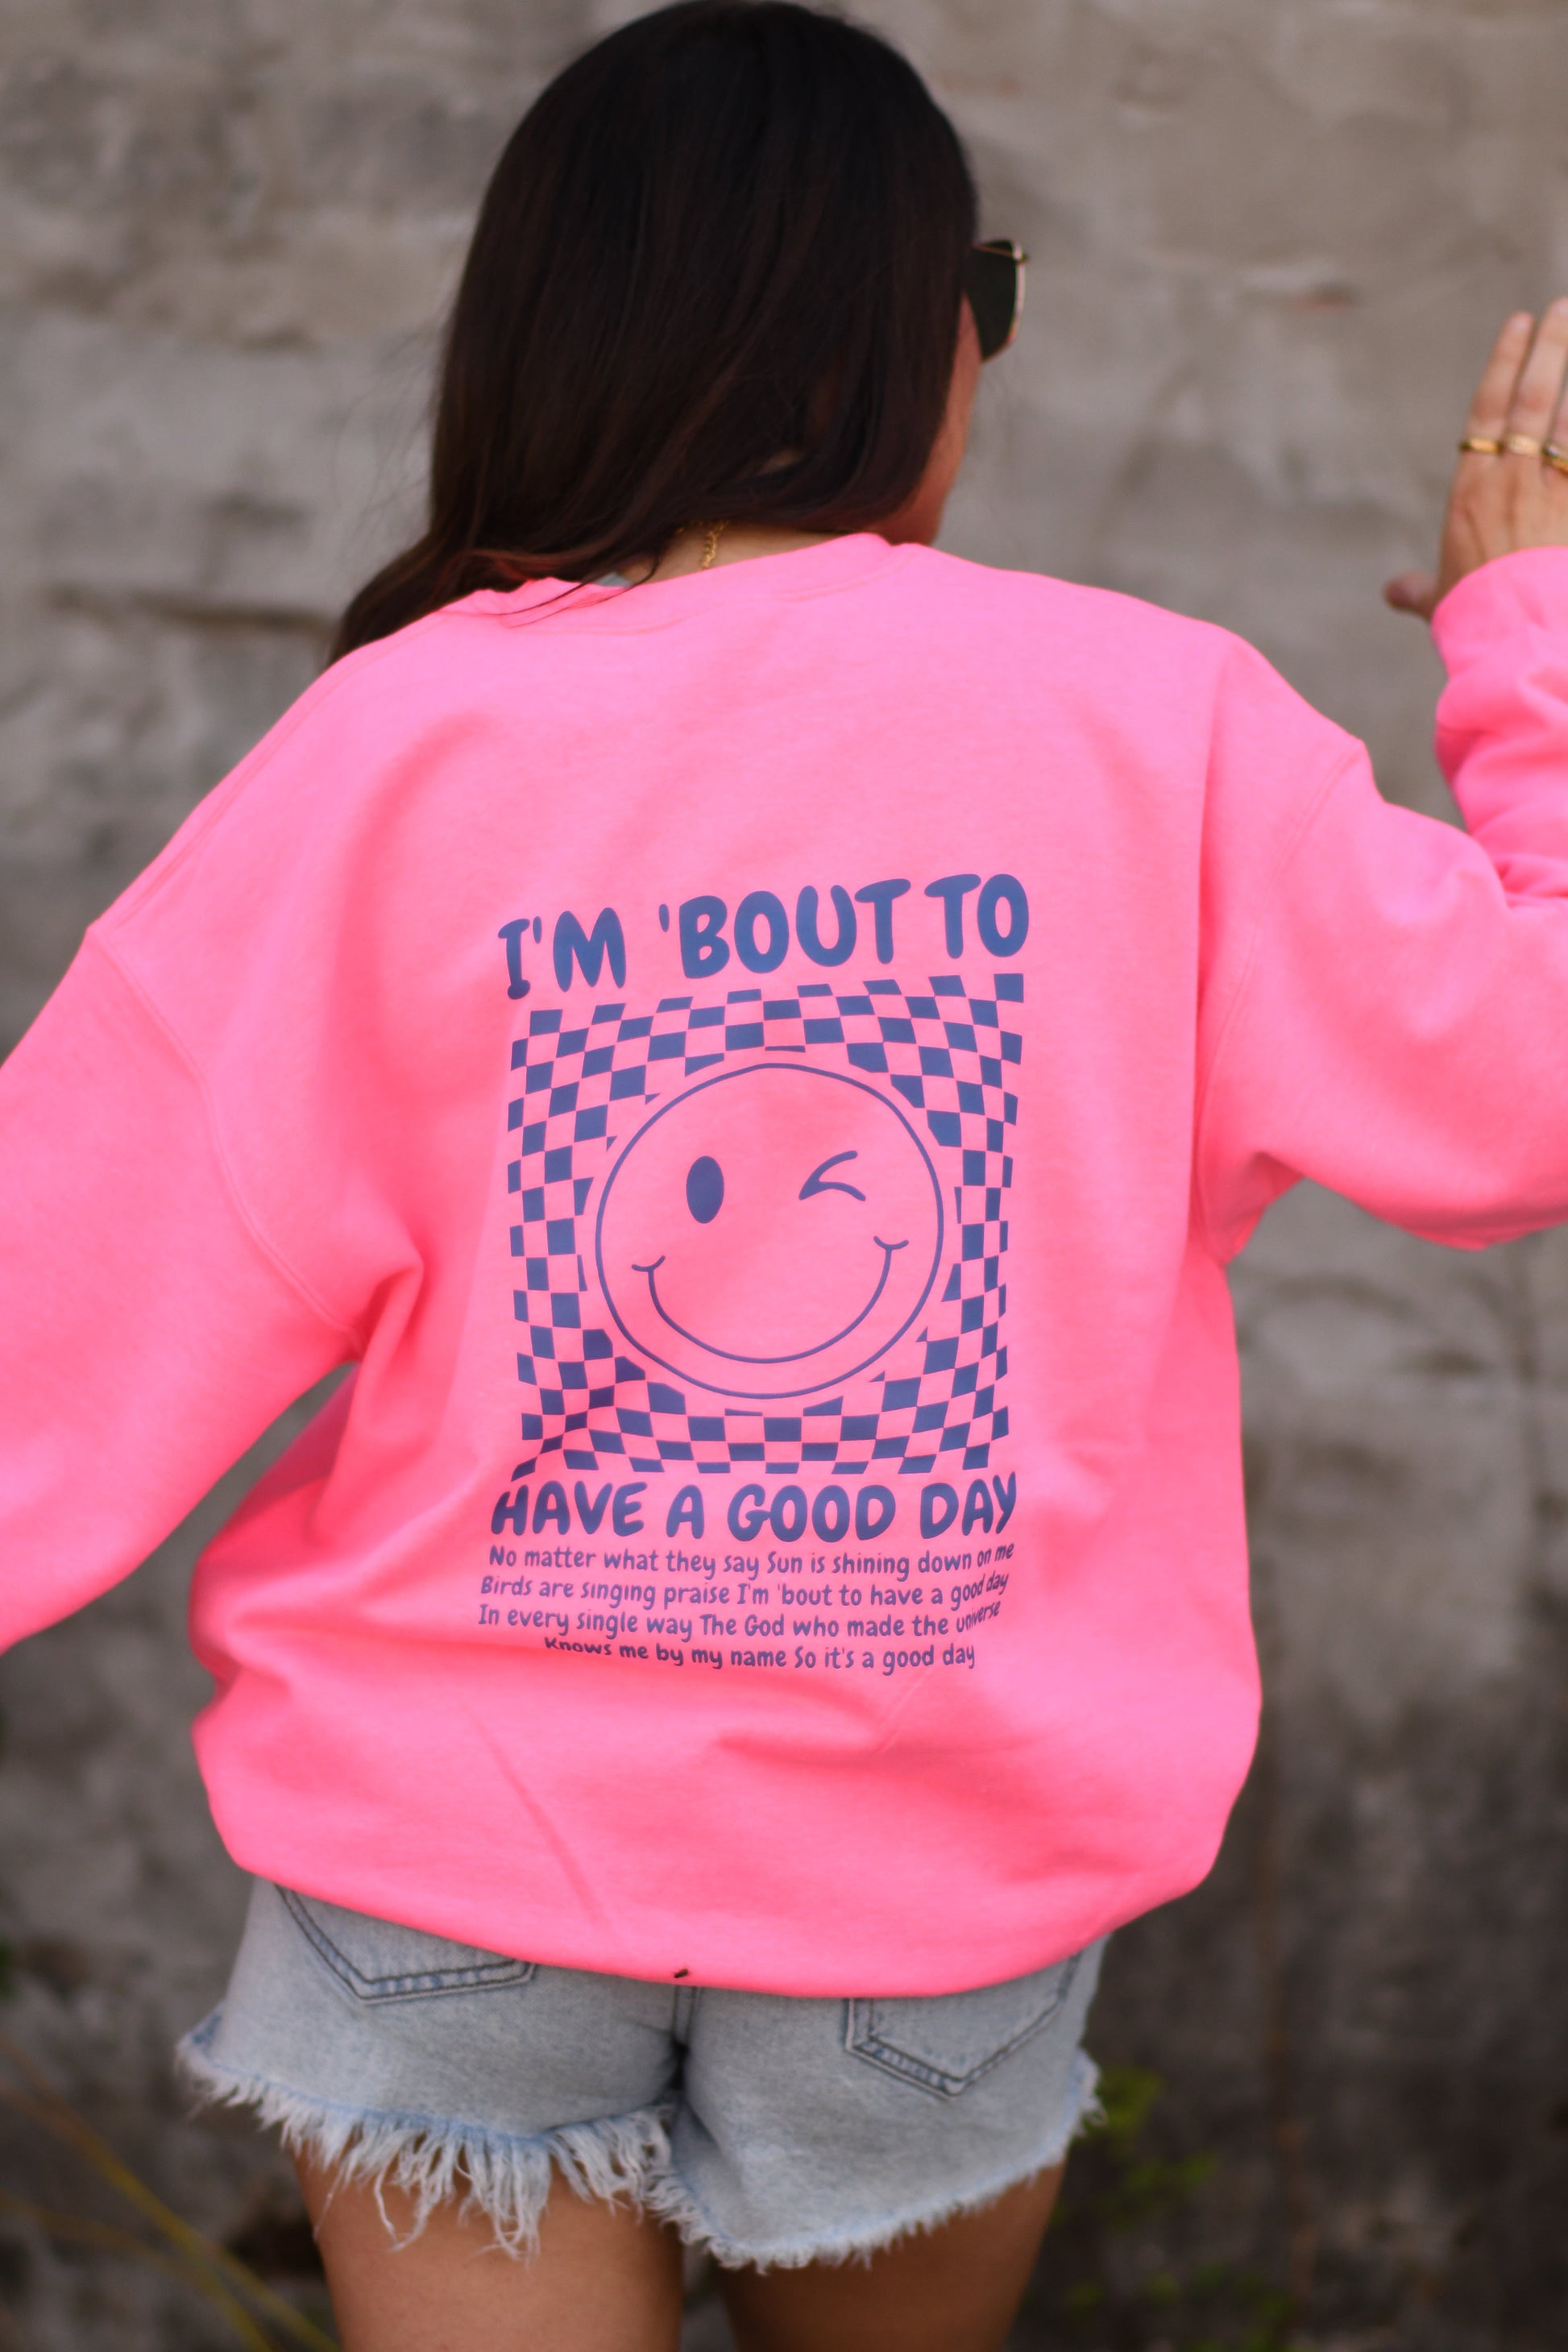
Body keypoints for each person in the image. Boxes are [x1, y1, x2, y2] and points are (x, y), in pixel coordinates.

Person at [3, 2, 1568, 2346]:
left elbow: (58, 1297)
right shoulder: (1151, 725)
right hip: (924, 1883)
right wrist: (1532, 648)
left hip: (456, 1856)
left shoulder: (393, 746)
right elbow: (1529, 1082)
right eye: (983, 295)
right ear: (903, 330)